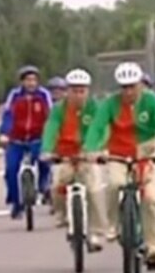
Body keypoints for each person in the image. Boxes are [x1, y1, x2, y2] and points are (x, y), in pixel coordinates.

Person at [82, 62, 155, 270]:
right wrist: (91, 149)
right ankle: (113, 226)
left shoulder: (152, 102)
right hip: (119, 154)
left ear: (141, 84)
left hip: (147, 154)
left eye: (132, 86)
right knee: (115, 184)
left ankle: (154, 248)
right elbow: (97, 127)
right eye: (124, 87)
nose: (128, 91)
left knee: (151, 199)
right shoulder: (110, 104)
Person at [40, 68, 106, 249]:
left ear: (88, 91)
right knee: (56, 185)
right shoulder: (58, 109)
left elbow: (103, 129)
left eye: (82, 91)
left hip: (88, 155)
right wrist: (47, 150)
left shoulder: (95, 108)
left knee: (93, 190)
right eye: (74, 90)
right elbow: (51, 129)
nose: (78, 95)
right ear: (67, 91)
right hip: (64, 155)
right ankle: (61, 214)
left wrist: (97, 150)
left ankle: (96, 232)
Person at [0, 65, 53, 219]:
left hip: (37, 138)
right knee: (11, 170)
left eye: (34, 80)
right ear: (22, 82)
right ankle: (16, 202)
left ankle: (44, 186)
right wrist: (5, 134)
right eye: (28, 80)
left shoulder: (44, 95)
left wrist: (49, 136)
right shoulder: (15, 96)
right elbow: (8, 115)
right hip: (17, 140)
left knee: (44, 161)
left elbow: (51, 117)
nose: (31, 83)